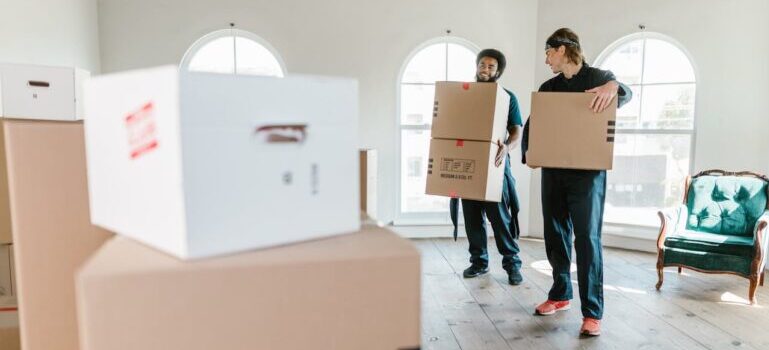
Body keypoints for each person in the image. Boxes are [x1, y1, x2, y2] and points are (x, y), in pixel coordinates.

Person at [521, 28, 632, 337]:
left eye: (548, 53)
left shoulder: (599, 78)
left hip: (588, 176)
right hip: (554, 172)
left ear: (562, 50)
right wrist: (528, 152)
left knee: (587, 240)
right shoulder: (549, 86)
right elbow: (534, 123)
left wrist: (614, 86)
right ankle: (559, 295)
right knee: (554, 235)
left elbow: (626, 93)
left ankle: (592, 312)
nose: (546, 60)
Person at [449, 48, 524, 286]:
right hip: (468, 163)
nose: (486, 69)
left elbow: (516, 131)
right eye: (483, 64)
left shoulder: (507, 97)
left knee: (500, 218)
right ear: (477, 66)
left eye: (491, 66)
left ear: (498, 71)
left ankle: (512, 264)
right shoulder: (465, 94)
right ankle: (479, 263)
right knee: (472, 218)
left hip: (495, 164)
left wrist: (507, 148)